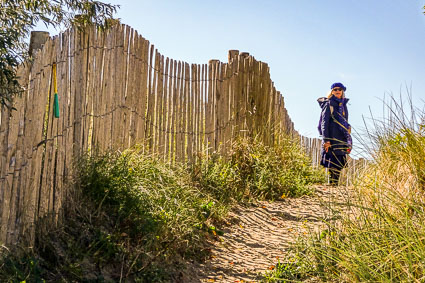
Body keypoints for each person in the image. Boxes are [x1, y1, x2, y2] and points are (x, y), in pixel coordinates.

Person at [318, 82, 352, 185]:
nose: (337, 91)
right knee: (332, 162)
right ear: (332, 91)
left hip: (341, 137)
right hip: (332, 137)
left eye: (339, 89)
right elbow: (324, 123)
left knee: (339, 162)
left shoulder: (343, 105)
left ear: (342, 91)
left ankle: (334, 185)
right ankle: (332, 184)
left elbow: (344, 121)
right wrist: (326, 140)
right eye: (335, 89)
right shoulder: (328, 104)